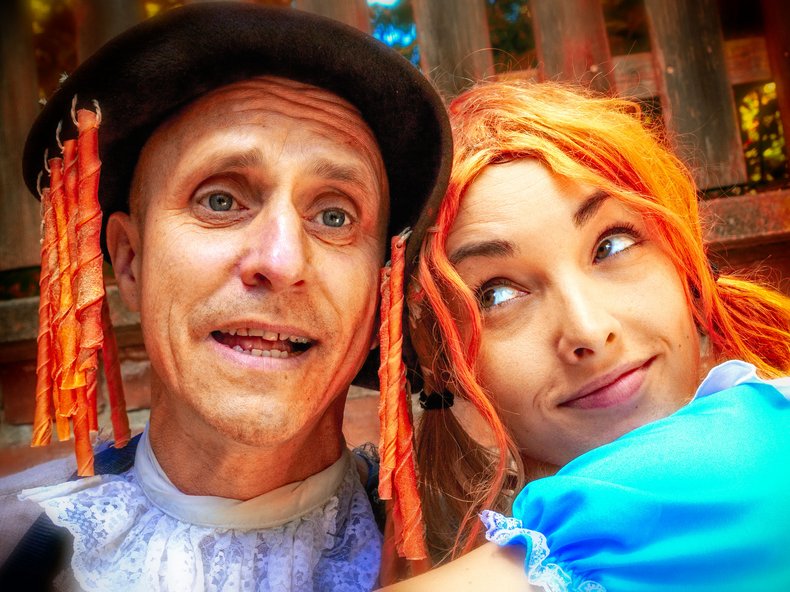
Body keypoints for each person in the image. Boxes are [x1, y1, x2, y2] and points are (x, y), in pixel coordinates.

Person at [0, 3, 451, 591]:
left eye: (335, 216)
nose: (281, 261)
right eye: (220, 200)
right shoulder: (16, 548)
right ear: (130, 261)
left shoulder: (472, 558)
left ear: (381, 291)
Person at [381, 80, 790, 591]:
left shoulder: (767, 441)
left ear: (681, 260)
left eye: (612, 245)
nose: (590, 332)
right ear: (441, 359)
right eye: (497, 295)